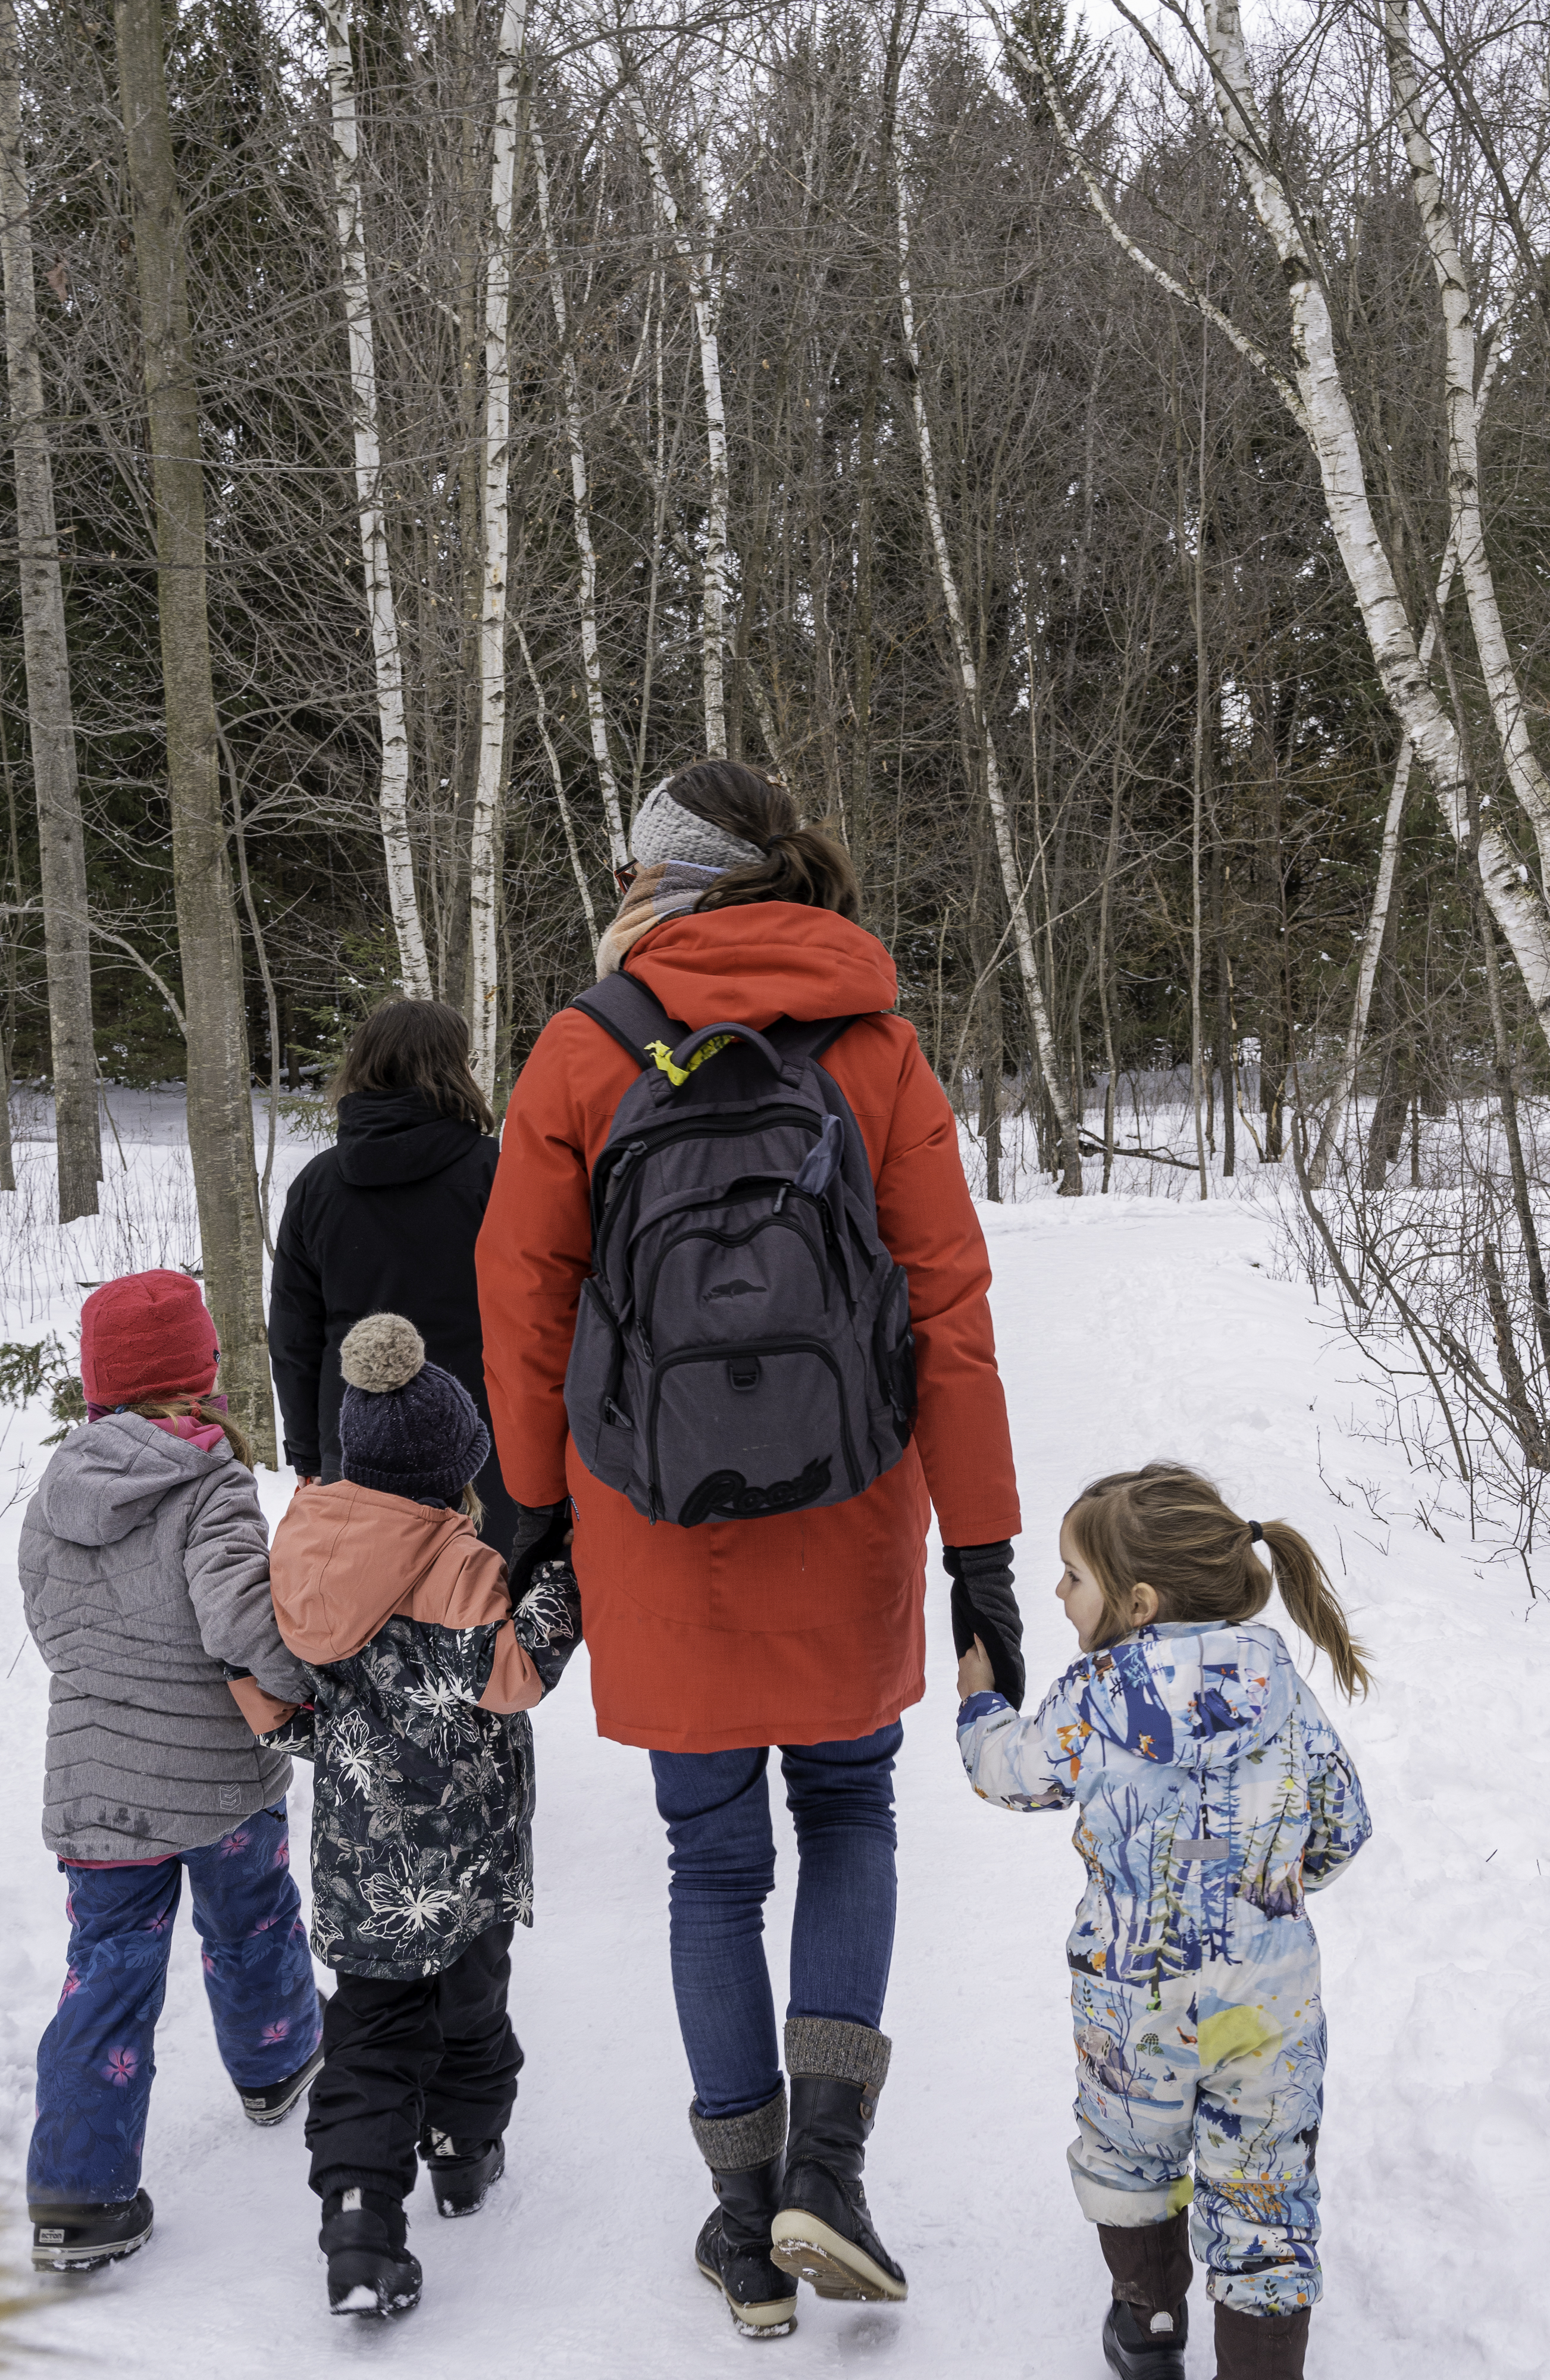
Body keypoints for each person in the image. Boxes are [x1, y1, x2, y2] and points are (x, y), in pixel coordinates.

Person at [478, 759, 1022, 2337]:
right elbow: (949, 1314)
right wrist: (976, 1547)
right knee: (848, 1812)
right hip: (848, 1506)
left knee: (708, 1860)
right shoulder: (871, 1046)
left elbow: (517, 1306)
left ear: (661, 882)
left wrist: (532, 1516)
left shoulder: (583, 1052)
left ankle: (740, 2222)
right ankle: (829, 2179)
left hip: (654, 1524)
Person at [956, 1463, 1372, 2380]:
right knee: (1262, 2185)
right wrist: (1259, 1877)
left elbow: (1011, 1773)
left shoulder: (1095, 1695)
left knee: (1129, 2155)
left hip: (1133, 2003)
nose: (1058, 1593)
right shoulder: (1283, 1695)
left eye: (1072, 1576)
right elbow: (1343, 1827)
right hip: (1265, 2007)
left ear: (1138, 1602)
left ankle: (1148, 2327)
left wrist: (979, 1703)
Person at [257, 1312, 581, 2319]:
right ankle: (463, 2147)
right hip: (467, 1866)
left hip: (362, 1872)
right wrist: (565, 1579)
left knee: (368, 2034)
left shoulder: (308, 1553)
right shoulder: (459, 1568)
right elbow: (515, 1673)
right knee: (473, 2012)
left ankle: (358, 2221)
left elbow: (287, 1706)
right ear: (454, 1472)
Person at [19, 1267, 322, 2273]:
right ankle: (276, 2060)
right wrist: (301, 1684)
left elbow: (51, 1621)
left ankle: (79, 2195)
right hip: (214, 1779)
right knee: (252, 1919)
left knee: (106, 1968)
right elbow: (240, 1620)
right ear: (200, 1375)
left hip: (94, 1783)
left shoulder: (59, 1488)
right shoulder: (208, 1482)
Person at [268, 997, 517, 1554]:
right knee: (490, 1617)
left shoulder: (317, 1184)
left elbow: (294, 1336)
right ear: (455, 1068)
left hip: (355, 1443)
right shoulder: (497, 1173)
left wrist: (309, 1453)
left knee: (375, 1618)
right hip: (483, 1444)